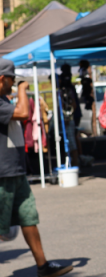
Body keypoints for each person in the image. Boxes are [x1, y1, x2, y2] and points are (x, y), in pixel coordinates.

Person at [0, 58, 73, 276]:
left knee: (28, 217)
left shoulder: (3, 98)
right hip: (2, 172)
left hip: (15, 170)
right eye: (12, 80)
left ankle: (43, 265)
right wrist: (23, 89)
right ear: (2, 78)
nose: (14, 85)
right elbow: (22, 112)